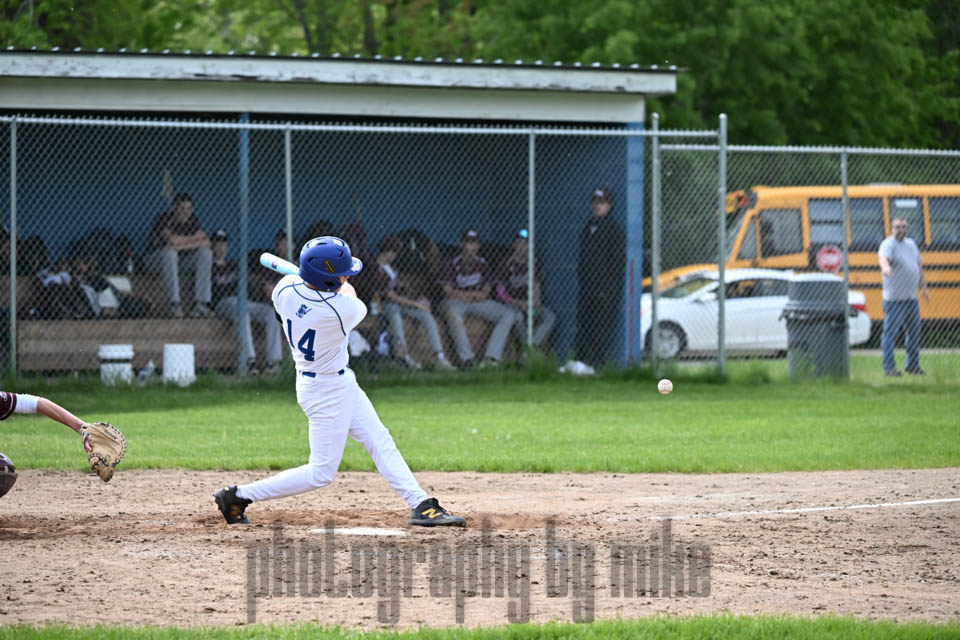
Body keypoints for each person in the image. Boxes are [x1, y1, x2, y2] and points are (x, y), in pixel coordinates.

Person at [213, 236, 466, 528]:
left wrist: (326, 282)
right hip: (325, 392)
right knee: (320, 473)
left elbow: (314, 295)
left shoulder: (283, 288)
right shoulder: (342, 310)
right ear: (327, 280)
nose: (346, 277)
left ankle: (420, 504)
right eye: (341, 273)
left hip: (334, 382)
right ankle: (238, 496)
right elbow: (348, 293)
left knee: (379, 440)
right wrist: (338, 285)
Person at [438, 229, 521, 367]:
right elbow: (447, 290)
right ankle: (467, 359)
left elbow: (487, 289)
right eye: (469, 243)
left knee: (509, 314)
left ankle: (491, 358)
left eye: (475, 243)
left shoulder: (482, 264)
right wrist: (462, 295)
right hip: (455, 301)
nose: (473, 247)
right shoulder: (451, 263)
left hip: (477, 301)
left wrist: (481, 295)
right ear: (461, 244)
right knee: (453, 315)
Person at [371, 234, 455, 370]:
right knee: (396, 318)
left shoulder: (391, 267)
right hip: (385, 304)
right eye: (394, 252)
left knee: (426, 315)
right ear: (387, 251)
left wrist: (417, 298)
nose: (395, 255)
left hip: (402, 302)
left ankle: (439, 356)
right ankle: (404, 357)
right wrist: (415, 304)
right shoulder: (376, 269)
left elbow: (400, 287)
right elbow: (392, 296)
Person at [210, 229, 284, 376]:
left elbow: (252, 280)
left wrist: (261, 284)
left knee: (271, 313)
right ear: (213, 246)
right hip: (223, 304)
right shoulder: (210, 266)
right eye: (218, 244)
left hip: (242, 302)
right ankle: (250, 361)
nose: (221, 247)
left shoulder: (234, 265)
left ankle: (273, 362)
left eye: (224, 244)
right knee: (243, 314)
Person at [575, 187, 626, 368]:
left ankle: (596, 365)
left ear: (609, 206)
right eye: (595, 202)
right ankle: (580, 362)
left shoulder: (614, 230)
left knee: (599, 327)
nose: (597, 206)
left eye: (602, 203)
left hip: (604, 289)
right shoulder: (588, 226)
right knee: (584, 324)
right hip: (587, 287)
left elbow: (617, 262)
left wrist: (607, 288)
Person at [145, 193, 214, 318]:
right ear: (174, 208)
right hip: (154, 260)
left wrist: (181, 243)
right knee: (170, 253)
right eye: (182, 208)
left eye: (189, 209)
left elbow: (207, 242)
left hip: (179, 261)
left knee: (206, 253)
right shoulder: (165, 219)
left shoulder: (193, 220)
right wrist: (194, 240)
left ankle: (201, 304)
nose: (186, 212)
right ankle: (175, 304)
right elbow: (171, 241)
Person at [878, 217, 929, 376]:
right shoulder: (888, 244)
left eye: (904, 227)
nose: (901, 230)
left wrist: (924, 288)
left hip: (911, 299)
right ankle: (889, 368)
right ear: (892, 228)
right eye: (898, 227)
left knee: (914, 332)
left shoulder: (911, 244)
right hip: (894, 300)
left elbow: (918, 266)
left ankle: (912, 365)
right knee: (890, 334)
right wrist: (886, 268)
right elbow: (883, 259)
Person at [495, 228, 556, 349]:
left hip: (528, 304)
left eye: (525, 243)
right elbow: (500, 292)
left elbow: (536, 287)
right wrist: (517, 303)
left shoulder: (534, 262)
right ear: (514, 245)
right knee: (517, 316)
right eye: (519, 243)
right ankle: (527, 346)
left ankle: (532, 346)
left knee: (550, 317)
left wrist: (535, 304)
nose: (522, 247)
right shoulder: (506, 262)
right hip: (510, 304)